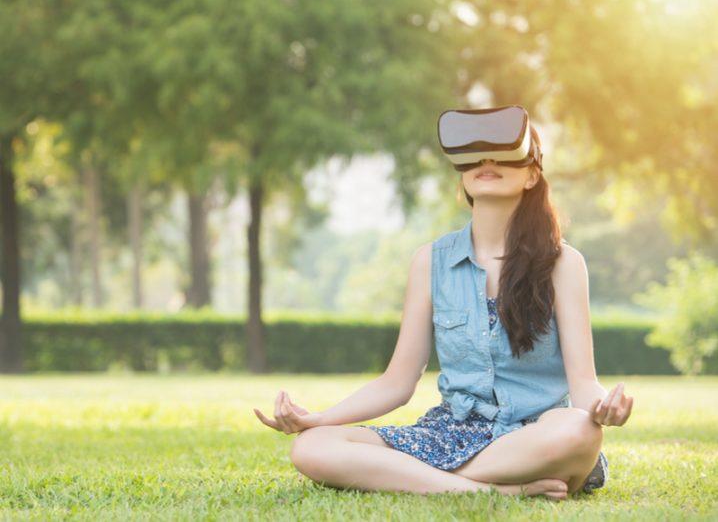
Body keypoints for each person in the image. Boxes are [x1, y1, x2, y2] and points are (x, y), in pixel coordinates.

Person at [253, 124, 634, 501]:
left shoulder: (564, 262)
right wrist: (319, 419)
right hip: (448, 433)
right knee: (311, 447)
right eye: (474, 155)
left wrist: (603, 409)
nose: (487, 161)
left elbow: (583, 383)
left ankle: (415, 478)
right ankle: (492, 490)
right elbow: (396, 384)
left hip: (534, 434)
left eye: (503, 154)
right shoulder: (430, 261)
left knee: (580, 432)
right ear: (462, 177)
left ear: (533, 175)